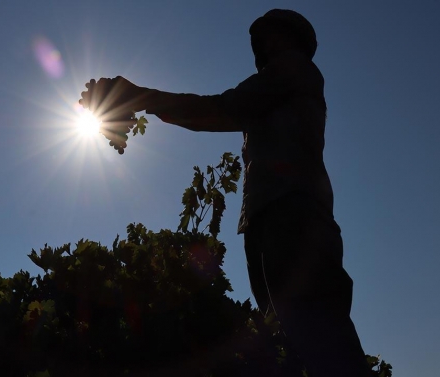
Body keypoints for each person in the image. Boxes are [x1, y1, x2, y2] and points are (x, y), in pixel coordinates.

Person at [80, 9, 372, 377]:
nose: (261, 46)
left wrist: (140, 96)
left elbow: (220, 109)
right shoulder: (275, 92)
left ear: (294, 42)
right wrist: (140, 98)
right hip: (269, 219)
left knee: (321, 337)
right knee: (292, 340)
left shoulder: (294, 70)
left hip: (294, 216)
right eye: (258, 41)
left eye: (270, 37)